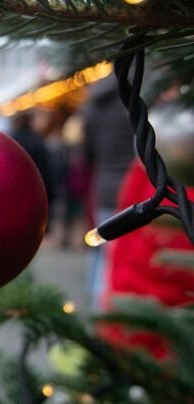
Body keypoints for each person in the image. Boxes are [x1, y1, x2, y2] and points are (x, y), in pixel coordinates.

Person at [81, 77, 136, 309]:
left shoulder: (92, 105)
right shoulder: (137, 100)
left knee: (102, 247)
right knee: (123, 255)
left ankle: (97, 307)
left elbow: (87, 153)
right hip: (134, 186)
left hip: (103, 184)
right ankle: (108, 312)